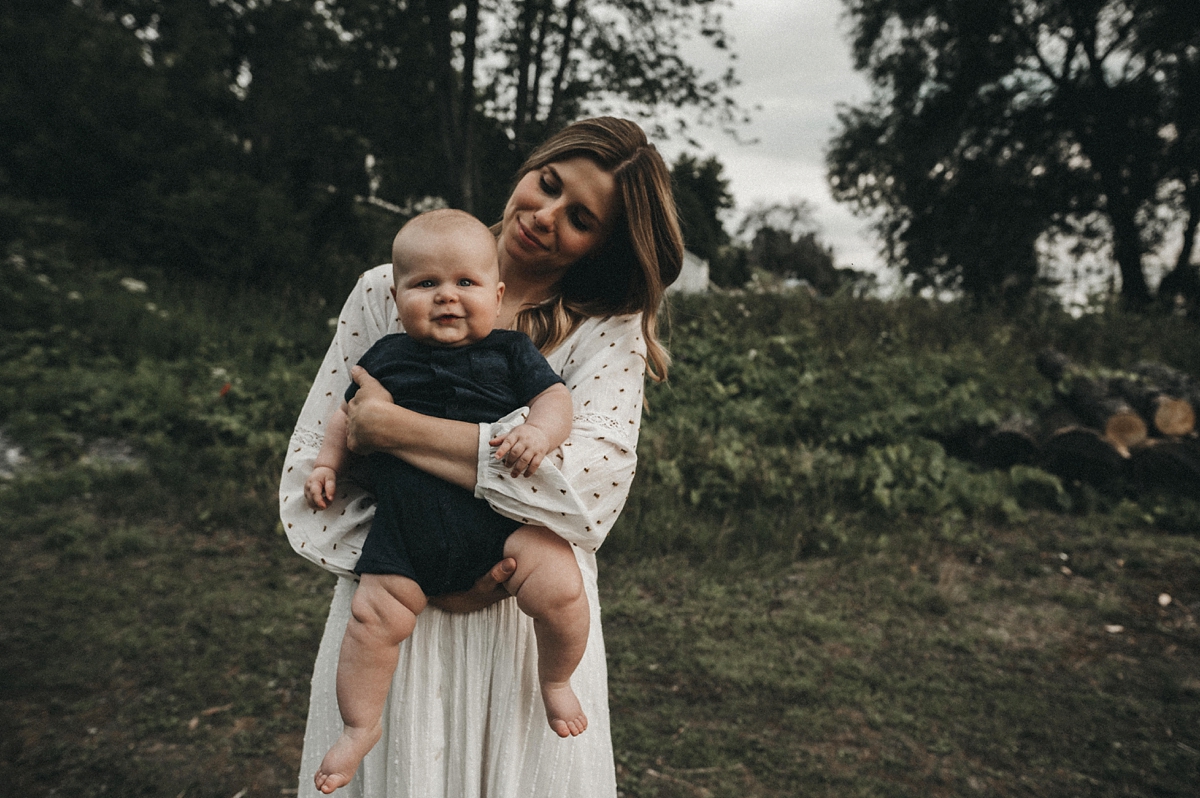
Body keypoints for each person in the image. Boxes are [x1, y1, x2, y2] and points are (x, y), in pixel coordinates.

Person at [280, 116, 683, 798]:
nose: (544, 215)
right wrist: (428, 575)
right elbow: (308, 486)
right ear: (528, 168)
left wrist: (394, 430)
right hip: (397, 623)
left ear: (603, 246)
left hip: (523, 630)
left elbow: (585, 496)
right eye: (546, 184)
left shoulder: (604, 334)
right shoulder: (388, 289)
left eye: (580, 217)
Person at [304, 209, 589, 792]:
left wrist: (539, 432)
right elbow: (346, 415)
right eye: (425, 284)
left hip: (496, 524)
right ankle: (360, 726)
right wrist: (328, 464)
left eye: (465, 283)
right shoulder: (384, 355)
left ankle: (556, 679)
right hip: (404, 534)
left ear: (497, 293)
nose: (446, 297)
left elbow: (555, 401)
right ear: (397, 293)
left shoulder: (511, 352)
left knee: (561, 586)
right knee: (370, 620)